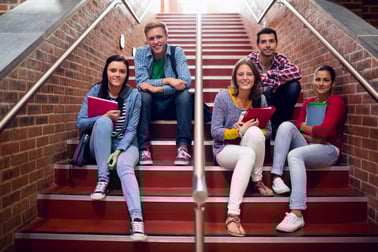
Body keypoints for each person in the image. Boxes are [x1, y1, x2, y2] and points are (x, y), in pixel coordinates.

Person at [76, 55, 147, 241]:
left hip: (125, 144)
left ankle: (137, 220)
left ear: (127, 74)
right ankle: (102, 180)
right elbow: (80, 122)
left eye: (122, 71)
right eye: (113, 70)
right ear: (106, 72)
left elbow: (132, 128)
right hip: (98, 144)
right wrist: (104, 116)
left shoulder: (134, 96)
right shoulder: (95, 90)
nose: (117, 74)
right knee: (104, 122)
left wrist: (119, 150)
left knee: (125, 166)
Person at [270, 65, 345, 232]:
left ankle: (296, 213)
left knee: (295, 154)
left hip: (329, 150)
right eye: (318, 79)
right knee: (285, 126)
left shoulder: (336, 101)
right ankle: (276, 177)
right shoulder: (308, 103)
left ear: (332, 83)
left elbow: (325, 131)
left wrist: (311, 130)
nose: (321, 83)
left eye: (326, 80)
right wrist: (315, 136)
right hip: (311, 146)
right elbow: (298, 126)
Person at [211, 58, 274, 237]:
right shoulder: (223, 96)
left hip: (248, 148)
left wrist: (249, 131)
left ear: (255, 78)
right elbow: (215, 132)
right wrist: (238, 131)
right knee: (247, 152)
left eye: (249, 74)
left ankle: (257, 179)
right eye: (241, 74)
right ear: (235, 77)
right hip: (225, 150)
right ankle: (232, 215)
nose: (245, 78)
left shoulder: (259, 99)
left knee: (255, 133)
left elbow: (268, 131)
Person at [135, 20, 193, 166]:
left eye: (159, 37)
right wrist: (168, 80)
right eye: (151, 38)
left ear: (167, 36)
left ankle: (183, 147)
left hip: (172, 106)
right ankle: (144, 148)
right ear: (147, 40)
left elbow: (185, 81)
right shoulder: (141, 53)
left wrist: (157, 88)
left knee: (185, 95)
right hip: (151, 106)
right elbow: (142, 83)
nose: (156, 42)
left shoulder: (177, 52)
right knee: (143, 96)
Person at [248, 27, 302, 139]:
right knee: (256, 87)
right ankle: (259, 123)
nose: (268, 45)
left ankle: (277, 124)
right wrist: (278, 82)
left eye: (271, 41)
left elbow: (297, 72)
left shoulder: (280, 59)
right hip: (257, 100)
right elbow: (251, 80)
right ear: (258, 45)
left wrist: (270, 74)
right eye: (263, 42)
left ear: (276, 43)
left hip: (276, 100)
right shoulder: (251, 60)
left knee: (294, 86)